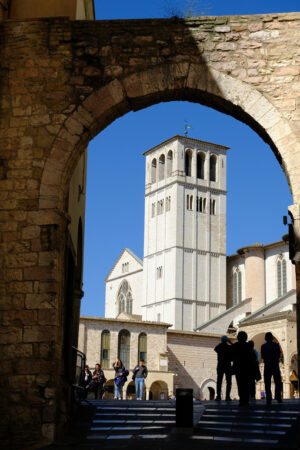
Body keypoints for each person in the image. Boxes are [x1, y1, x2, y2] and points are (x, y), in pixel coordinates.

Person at [231, 331, 256, 407]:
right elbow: (253, 357)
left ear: (238, 338)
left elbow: (231, 357)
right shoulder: (248, 346)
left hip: (238, 368)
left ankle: (241, 400)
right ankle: (246, 400)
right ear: (246, 338)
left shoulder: (235, 346)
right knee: (247, 385)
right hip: (247, 369)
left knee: (240, 384)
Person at [261, 332, 282, 404]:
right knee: (278, 382)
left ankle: (268, 398)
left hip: (267, 366)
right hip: (275, 365)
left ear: (266, 338)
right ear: (272, 338)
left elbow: (263, 356)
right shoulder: (276, 345)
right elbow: (279, 355)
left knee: (267, 383)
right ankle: (278, 397)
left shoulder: (263, 346)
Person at [214, 335, 233, 401]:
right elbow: (234, 347)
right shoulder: (229, 347)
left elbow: (215, 348)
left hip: (220, 365)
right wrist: (230, 342)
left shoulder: (219, 347)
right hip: (228, 365)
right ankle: (227, 396)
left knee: (219, 381)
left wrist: (221, 342)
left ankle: (218, 396)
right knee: (229, 382)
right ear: (226, 340)